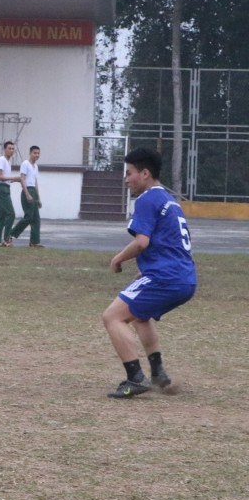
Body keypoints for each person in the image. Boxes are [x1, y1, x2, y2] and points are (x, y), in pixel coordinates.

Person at [102, 147, 196, 399]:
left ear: (145, 174)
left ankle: (135, 378)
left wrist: (119, 258)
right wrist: (146, 271)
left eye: (129, 173)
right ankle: (158, 374)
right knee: (140, 315)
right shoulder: (169, 201)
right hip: (184, 278)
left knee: (112, 317)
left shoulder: (146, 199)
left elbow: (142, 242)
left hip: (165, 276)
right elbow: (169, 243)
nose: (126, 179)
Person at [9, 145, 43, 247]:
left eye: (38, 153)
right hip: (27, 190)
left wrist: (38, 198)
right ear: (30, 153)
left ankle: (34, 242)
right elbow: (22, 179)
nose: (36, 155)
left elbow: (35, 181)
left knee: (36, 219)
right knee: (28, 217)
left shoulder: (35, 166)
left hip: (34, 192)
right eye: (34, 153)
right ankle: (11, 234)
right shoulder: (25, 164)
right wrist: (27, 193)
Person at [0, 140, 22, 247]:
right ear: (5, 149)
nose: (11, 151)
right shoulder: (2, 160)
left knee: (2, 214)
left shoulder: (8, 162)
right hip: (1, 188)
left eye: (13, 149)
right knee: (11, 213)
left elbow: (5, 177)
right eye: (9, 148)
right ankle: (6, 238)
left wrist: (14, 180)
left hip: (6, 187)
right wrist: (13, 177)